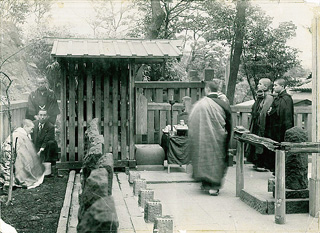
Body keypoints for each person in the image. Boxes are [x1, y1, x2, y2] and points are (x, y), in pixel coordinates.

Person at [188, 79, 232, 196]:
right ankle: (214, 186)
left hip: (202, 137)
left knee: (204, 158)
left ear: (207, 90)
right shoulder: (223, 103)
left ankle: (205, 183)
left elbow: (192, 121)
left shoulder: (200, 104)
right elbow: (229, 123)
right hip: (218, 137)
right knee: (217, 160)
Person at [0, 119, 45, 189]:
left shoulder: (20, 134)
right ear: (25, 126)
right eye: (31, 129)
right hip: (8, 156)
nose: (32, 131)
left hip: (9, 155)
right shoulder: (19, 135)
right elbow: (22, 155)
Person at [264, 78, 294, 173]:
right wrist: (270, 112)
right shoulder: (277, 98)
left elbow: (287, 116)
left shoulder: (287, 99)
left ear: (282, 86)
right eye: (273, 85)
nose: (274, 87)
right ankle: (275, 170)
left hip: (283, 129)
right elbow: (272, 110)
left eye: (276, 85)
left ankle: (281, 171)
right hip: (275, 128)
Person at [246, 78, 274, 171]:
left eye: (260, 84)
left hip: (263, 124)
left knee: (261, 142)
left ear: (265, 86)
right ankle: (257, 162)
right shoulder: (261, 96)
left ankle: (262, 164)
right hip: (257, 123)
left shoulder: (269, 97)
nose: (258, 85)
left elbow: (263, 112)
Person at [32, 109, 62, 177]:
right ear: (37, 116)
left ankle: (49, 169)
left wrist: (40, 150)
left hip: (45, 148)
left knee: (51, 143)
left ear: (47, 116)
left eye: (44, 115)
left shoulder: (50, 126)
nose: (42, 117)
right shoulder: (33, 124)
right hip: (35, 146)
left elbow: (46, 140)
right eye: (41, 115)